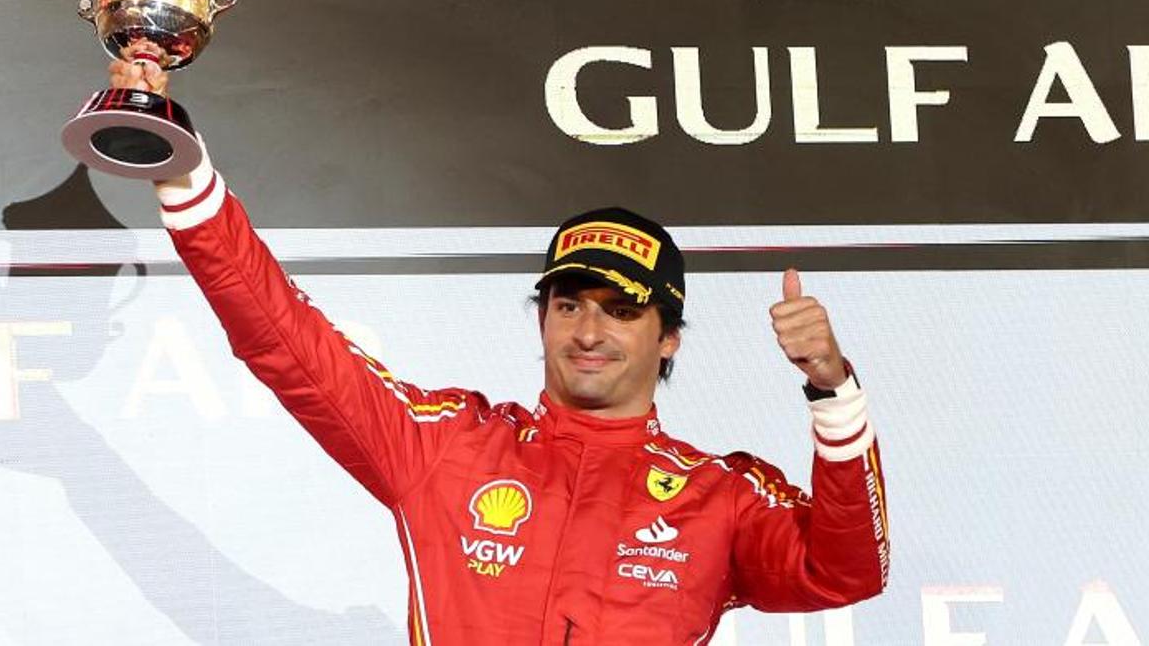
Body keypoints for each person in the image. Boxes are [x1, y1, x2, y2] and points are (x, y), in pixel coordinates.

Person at [112, 53, 889, 645]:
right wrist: (186, 181)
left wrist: (832, 391)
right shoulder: (449, 449)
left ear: (669, 337)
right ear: (543, 315)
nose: (588, 332)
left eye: (621, 311)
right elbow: (283, 339)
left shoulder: (719, 501)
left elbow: (847, 569)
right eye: (568, 304)